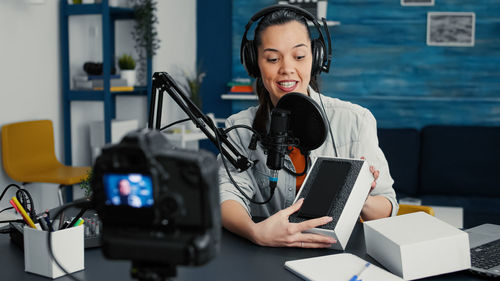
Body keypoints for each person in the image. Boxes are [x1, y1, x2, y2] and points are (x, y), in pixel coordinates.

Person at [218, 5, 398, 248]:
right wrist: (255, 232)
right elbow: (227, 194)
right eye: (272, 58)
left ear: (316, 57)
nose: (287, 69)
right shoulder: (239, 128)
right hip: (268, 254)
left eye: (299, 56)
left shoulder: (356, 120)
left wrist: (361, 197)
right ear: (254, 63)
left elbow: (387, 208)